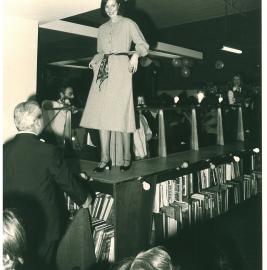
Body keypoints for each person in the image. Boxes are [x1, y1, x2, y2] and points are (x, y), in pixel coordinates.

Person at [3, 101, 93, 269]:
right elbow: (67, 183)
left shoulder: (4, 150)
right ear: (37, 122)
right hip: (44, 227)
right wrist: (85, 199)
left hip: (12, 228)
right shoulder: (48, 151)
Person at [80, 0, 149, 172]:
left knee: (122, 115)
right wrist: (94, 60)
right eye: (106, 6)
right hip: (103, 71)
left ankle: (127, 157)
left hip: (121, 69)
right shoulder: (101, 29)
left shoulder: (128, 23)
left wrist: (135, 56)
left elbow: (143, 46)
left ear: (119, 5)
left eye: (113, 5)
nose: (110, 9)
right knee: (103, 116)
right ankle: (104, 159)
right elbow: (100, 51)